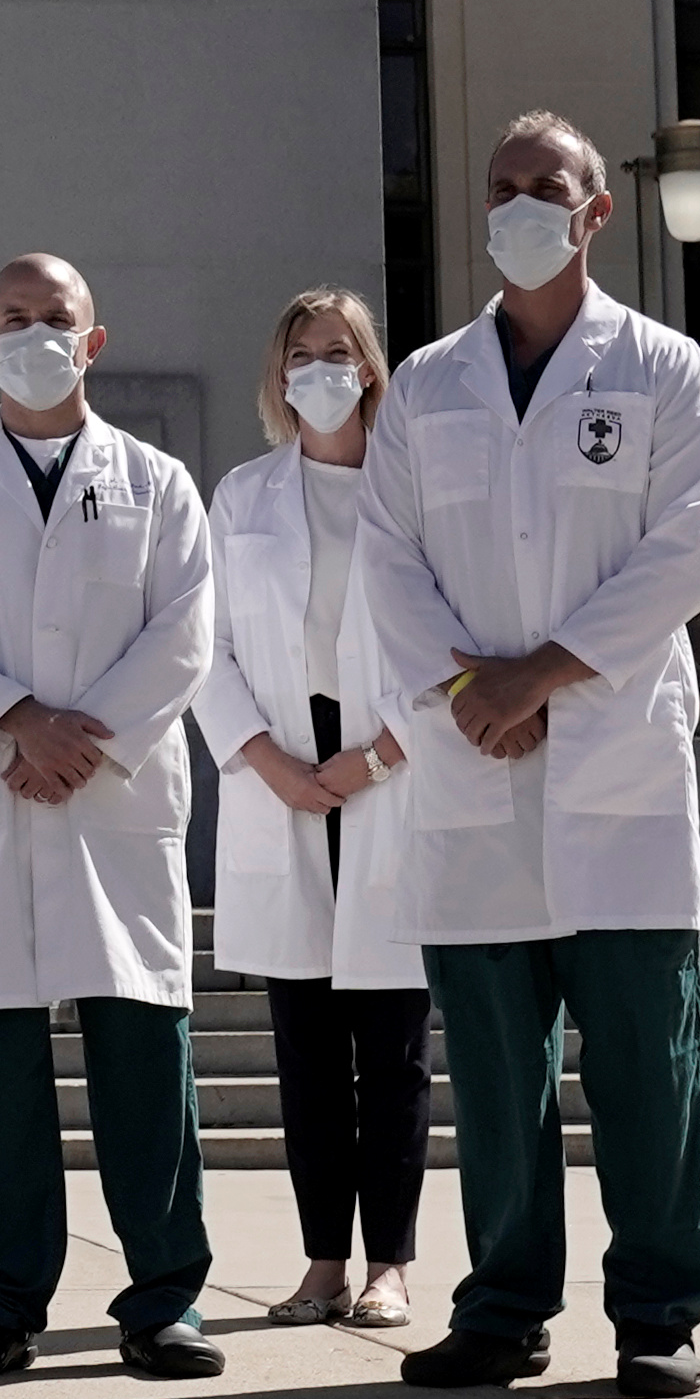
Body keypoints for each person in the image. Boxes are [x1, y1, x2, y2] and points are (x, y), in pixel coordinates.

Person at [358, 112, 700, 1399]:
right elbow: (389, 562)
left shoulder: (665, 371)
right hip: (474, 762)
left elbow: (684, 554)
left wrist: (540, 676)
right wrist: (474, 691)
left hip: (613, 762)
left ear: (597, 212)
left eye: (548, 188)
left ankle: (659, 1309)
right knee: (500, 1073)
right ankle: (504, 1305)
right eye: (503, 186)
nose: (522, 204)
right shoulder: (425, 383)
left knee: (644, 1058)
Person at [0, 252, 222, 1384]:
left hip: (109, 802)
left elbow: (184, 635)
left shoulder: (159, 481)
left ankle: (163, 1298)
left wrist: (86, 739)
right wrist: (19, 722)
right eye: (14, 319)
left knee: (141, 1065)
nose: (35, 334)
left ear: (94, 339)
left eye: (54, 317)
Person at [193, 289, 426, 1331]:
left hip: (394, 775)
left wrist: (378, 754)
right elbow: (207, 650)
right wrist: (270, 765)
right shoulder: (241, 496)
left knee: (393, 1049)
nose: (323, 367)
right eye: (303, 352)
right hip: (281, 781)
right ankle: (323, 1261)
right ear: (278, 372)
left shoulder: (414, 487)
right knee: (307, 1056)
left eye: (341, 351)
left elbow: (446, 636)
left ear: (372, 367)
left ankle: (391, 1264)